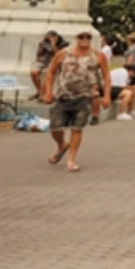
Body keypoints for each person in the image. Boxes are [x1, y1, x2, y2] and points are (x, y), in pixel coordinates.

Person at [42, 32, 112, 172]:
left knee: (77, 128)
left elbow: (106, 76)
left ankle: (71, 159)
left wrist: (107, 96)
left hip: (84, 96)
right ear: (76, 38)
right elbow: (51, 72)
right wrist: (48, 92)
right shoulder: (63, 53)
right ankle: (61, 145)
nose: (84, 40)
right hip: (63, 95)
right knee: (55, 127)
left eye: (88, 37)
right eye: (81, 37)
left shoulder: (98, 55)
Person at [30, 31, 63, 99]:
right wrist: (41, 46)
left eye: (53, 37)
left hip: (54, 61)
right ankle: (40, 91)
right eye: (50, 37)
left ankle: (42, 94)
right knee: (34, 72)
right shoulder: (44, 42)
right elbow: (38, 55)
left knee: (48, 73)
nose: (51, 38)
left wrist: (53, 45)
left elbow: (59, 55)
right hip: (43, 61)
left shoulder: (63, 43)